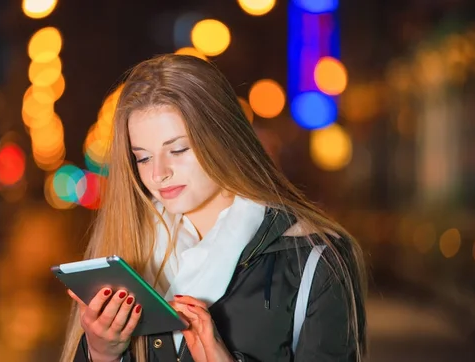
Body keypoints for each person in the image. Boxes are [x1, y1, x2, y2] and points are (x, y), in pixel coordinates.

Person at [61, 54, 367, 362]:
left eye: (178, 150)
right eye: (142, 157)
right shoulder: (130, 247)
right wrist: (102, 354)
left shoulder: (315, 259)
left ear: (222, 138)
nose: (158, 174)